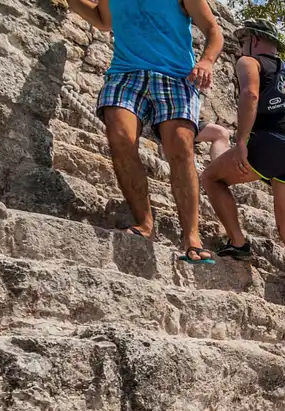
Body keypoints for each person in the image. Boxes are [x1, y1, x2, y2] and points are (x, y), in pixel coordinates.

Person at [66, 0, 223, 265]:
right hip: (126, 74)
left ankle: (192, 238)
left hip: (176, 77)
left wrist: (207, 61)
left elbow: (213, 30)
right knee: (121, 139)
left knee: (180, 148)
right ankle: (145, 224)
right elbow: (103, 20)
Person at [200, 19, 285, 316]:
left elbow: (250, 95)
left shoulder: (248, 61)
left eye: (242, 42)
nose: (240, 47)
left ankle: (238, 242)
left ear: (253, 40)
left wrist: (241, 140)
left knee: (211, 178)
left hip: (270, 142)